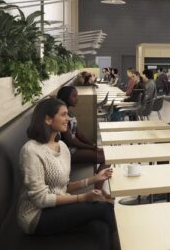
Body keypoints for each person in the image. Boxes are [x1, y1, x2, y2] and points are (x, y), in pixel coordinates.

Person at [17, 98, 116, 250]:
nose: (68, 119)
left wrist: (94, 179)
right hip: (36, 217)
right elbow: (40, 200)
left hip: (56, 209)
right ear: (48, 119)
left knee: (100, 228)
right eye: (63, 115)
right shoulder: (31, 151)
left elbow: (63, 187)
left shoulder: (62, 147)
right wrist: (82, 198)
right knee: (104, 208)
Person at [55, 86, 106, 168]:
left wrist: (93, 145)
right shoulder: (61, 115)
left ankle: (97, 178)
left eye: (77, 96)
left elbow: (79, 133)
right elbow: (71, 141)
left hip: (74, 147)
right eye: (74, 96)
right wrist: (91, 147)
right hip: (67, 151)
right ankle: (97, 179)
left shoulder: (70, 113)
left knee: (106, 154)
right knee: (106, 157)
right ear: (65, 97)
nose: (77, 99)